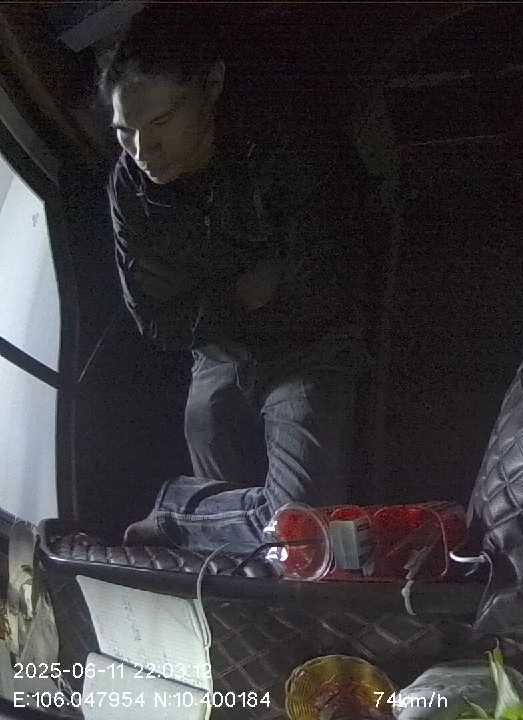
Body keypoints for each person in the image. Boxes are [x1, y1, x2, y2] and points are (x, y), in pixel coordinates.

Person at [103, 8, 374, 552]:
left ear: (212, 85)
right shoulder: (129, 187)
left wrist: (206, 298)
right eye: (124, 132)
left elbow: (326, 278)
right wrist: (243, 292)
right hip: (218, 352)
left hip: (308, 348)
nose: (143, 151)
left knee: (303, 528)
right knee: (214, 453)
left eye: (161, 122)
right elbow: (153, 320)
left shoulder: (285, 143)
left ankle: (178, 513)